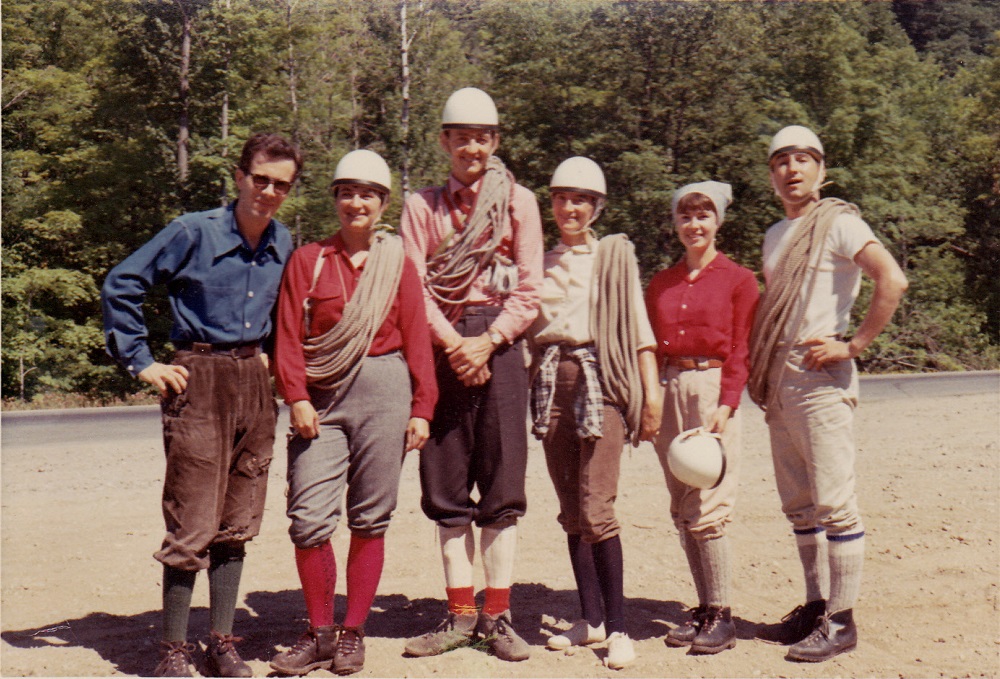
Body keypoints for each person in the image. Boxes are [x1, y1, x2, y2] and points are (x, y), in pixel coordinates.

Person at [101, 133, 301, 677]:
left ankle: (222, 642)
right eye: (260, 178)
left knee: (238, 519)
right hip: (200, 376)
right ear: (239, 176)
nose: (268, 191)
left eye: (281, 184)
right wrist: (142, 362)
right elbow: (121, 283)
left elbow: (291, 314)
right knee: (192, 518)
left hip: (253, 381)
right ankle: (173, 650)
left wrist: (273, 362)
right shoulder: (193, 230)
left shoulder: (283, 241)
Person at [268, 150, 437, 677]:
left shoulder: (398, 263)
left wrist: (422, 407)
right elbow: (288, 336)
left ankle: (352, 632)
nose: (355, 202)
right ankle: (318, 631)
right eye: (346, 192)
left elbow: (417, 338)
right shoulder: (309, 259)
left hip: (385, 387)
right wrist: (295, 394)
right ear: (335, 199)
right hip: (323, 393)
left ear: (382, 203)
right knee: (309, 519)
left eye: (367, 193)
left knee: (370, 516)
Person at [747, 125, 908, 662]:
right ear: (771, 175)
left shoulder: (840, 222)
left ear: (821, 169)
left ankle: (842, 620)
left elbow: (893, 279)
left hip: (820, 378)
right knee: (800, 506)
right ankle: (816, 607)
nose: (792, 170)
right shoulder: (774, 234)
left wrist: (855, 343)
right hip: (781, 377)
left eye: (802, 160)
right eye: (781, 162)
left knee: (836, 504)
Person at [399, 87, 544, 662]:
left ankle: (497, 614)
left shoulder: (520, 203)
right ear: (444, 141)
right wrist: (457, 343)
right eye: (461, 136)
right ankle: (459, 613)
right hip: (443, 342)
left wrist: (488, 341)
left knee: (504, 486)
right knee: (446, 487)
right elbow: (415, 286)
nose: (471, 147)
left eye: (482, 137)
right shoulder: (421, 206)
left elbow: (531, 289)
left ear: (495, 142)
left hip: (500, 343)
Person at [528, 157, 662, 670]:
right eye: (562, 198)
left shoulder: (612, 259)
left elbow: (640, 331)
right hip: (549, 382)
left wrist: (650, 397)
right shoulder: (538, 261)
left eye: (581, 199)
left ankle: (621, 627)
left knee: (598, 507)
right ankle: (591, 618)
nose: (570, 208)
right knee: (570, 508)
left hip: (599, 379)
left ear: (596, 206)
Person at [646, 181, 759, 655]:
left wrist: (728, 403)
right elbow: (646, 345)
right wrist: (650, 398)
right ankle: (703, 606)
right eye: (686, 216)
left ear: (718, 221)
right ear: (675, 223)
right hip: (669, 388)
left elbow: (741, 348)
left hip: (712, 389)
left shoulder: (739, 280)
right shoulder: (660, 283)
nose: (695, 224)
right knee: (682, 505)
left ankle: (722, 614)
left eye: (704, 215)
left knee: (709, 504)